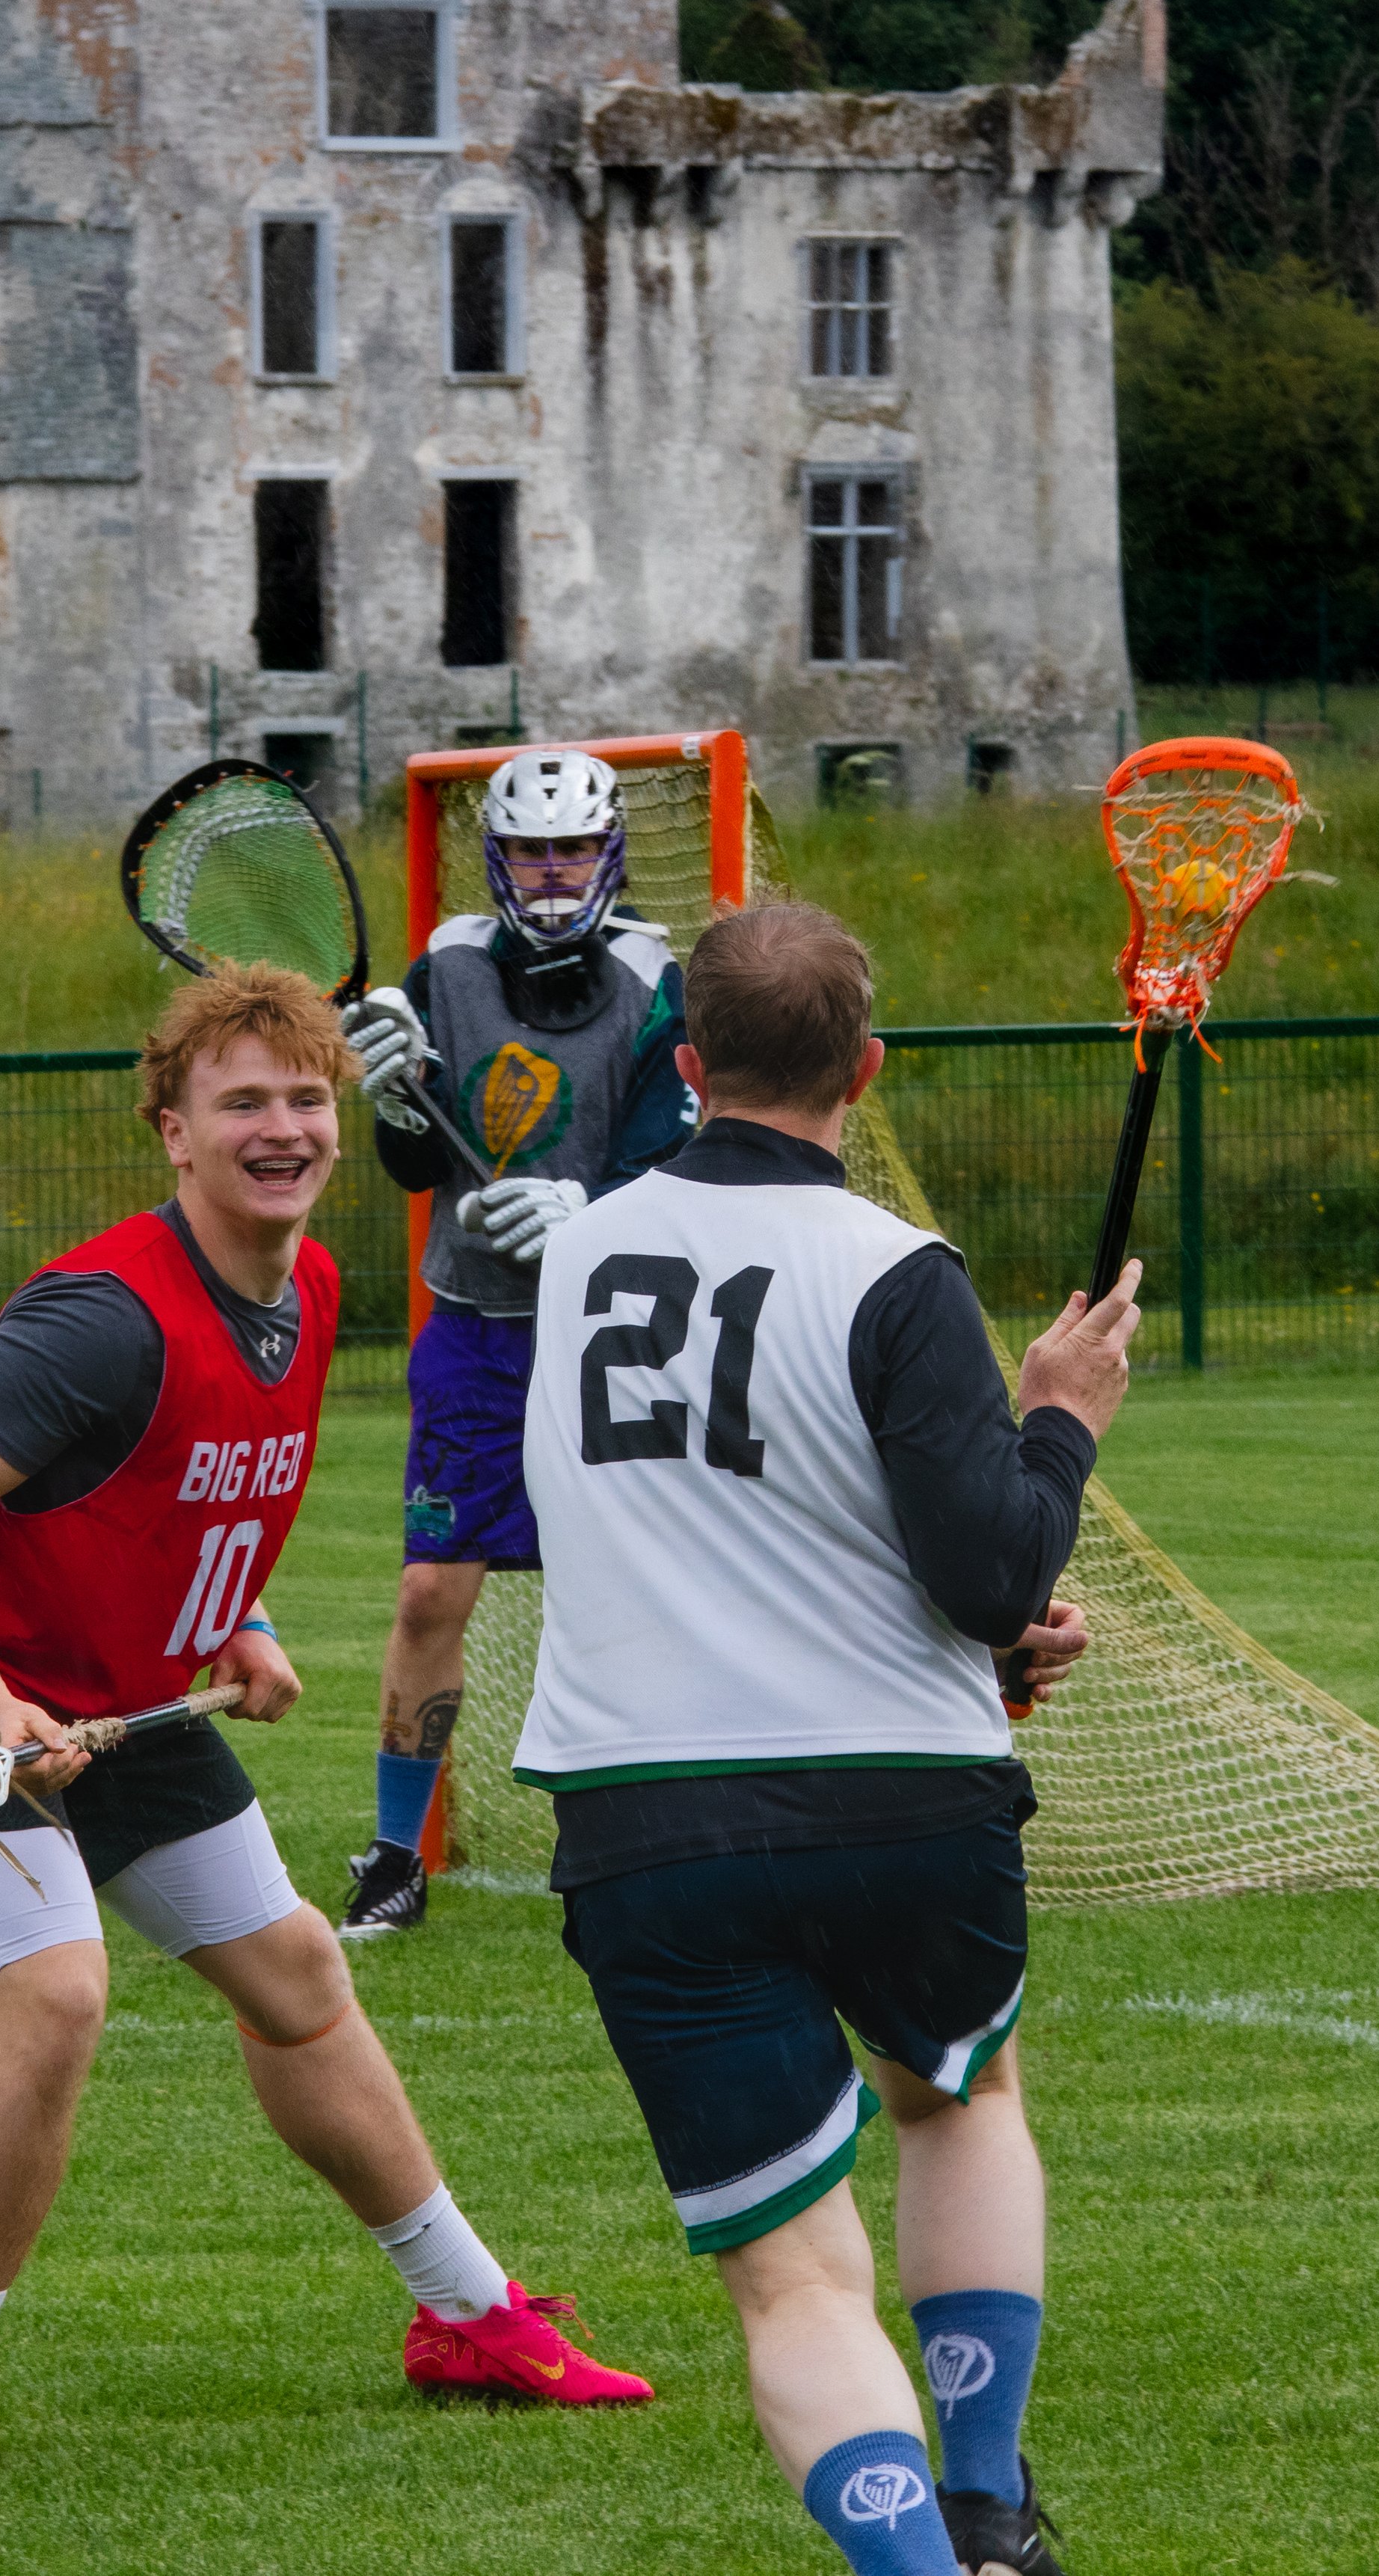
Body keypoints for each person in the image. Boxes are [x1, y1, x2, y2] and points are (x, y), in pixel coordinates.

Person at [0, 963, 651, 2485]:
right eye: (241, 1102)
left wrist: (239, 1622)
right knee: (58, 1997)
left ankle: (464, 2311)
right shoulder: (97, 1315)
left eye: (304, 1098)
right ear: (173, 1134)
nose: (281, 1127)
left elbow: (173, 1491)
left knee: (296, 1974)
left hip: (117, 1696)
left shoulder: (313, 1288)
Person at [513, 900, 1142, 2576]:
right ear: (864, 1067)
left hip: (643, 1817)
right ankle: (989, 2500)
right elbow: (985, 1566)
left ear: (683, 1065)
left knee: (792, 2282)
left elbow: (680, 1525)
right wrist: (1058, 1424)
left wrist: (983, 1620)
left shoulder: (569, 1254)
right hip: (901, 1801)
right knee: (956, 2097)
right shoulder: (890, 1266)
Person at [335, 747, 692, 1936]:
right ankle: (396, 1854)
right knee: (434, 1587)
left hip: (611, 1336)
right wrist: (392, 1100)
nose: (552, 872)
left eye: (573, 849)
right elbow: (411, 1159)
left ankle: (638, 1836)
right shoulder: (444, 962)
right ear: (496, 854)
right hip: (478, 1331)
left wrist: (590, 1214)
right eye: (532, 850)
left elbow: (677, 1156)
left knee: (630, 1593)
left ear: (610, 852)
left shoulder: (659, 977)